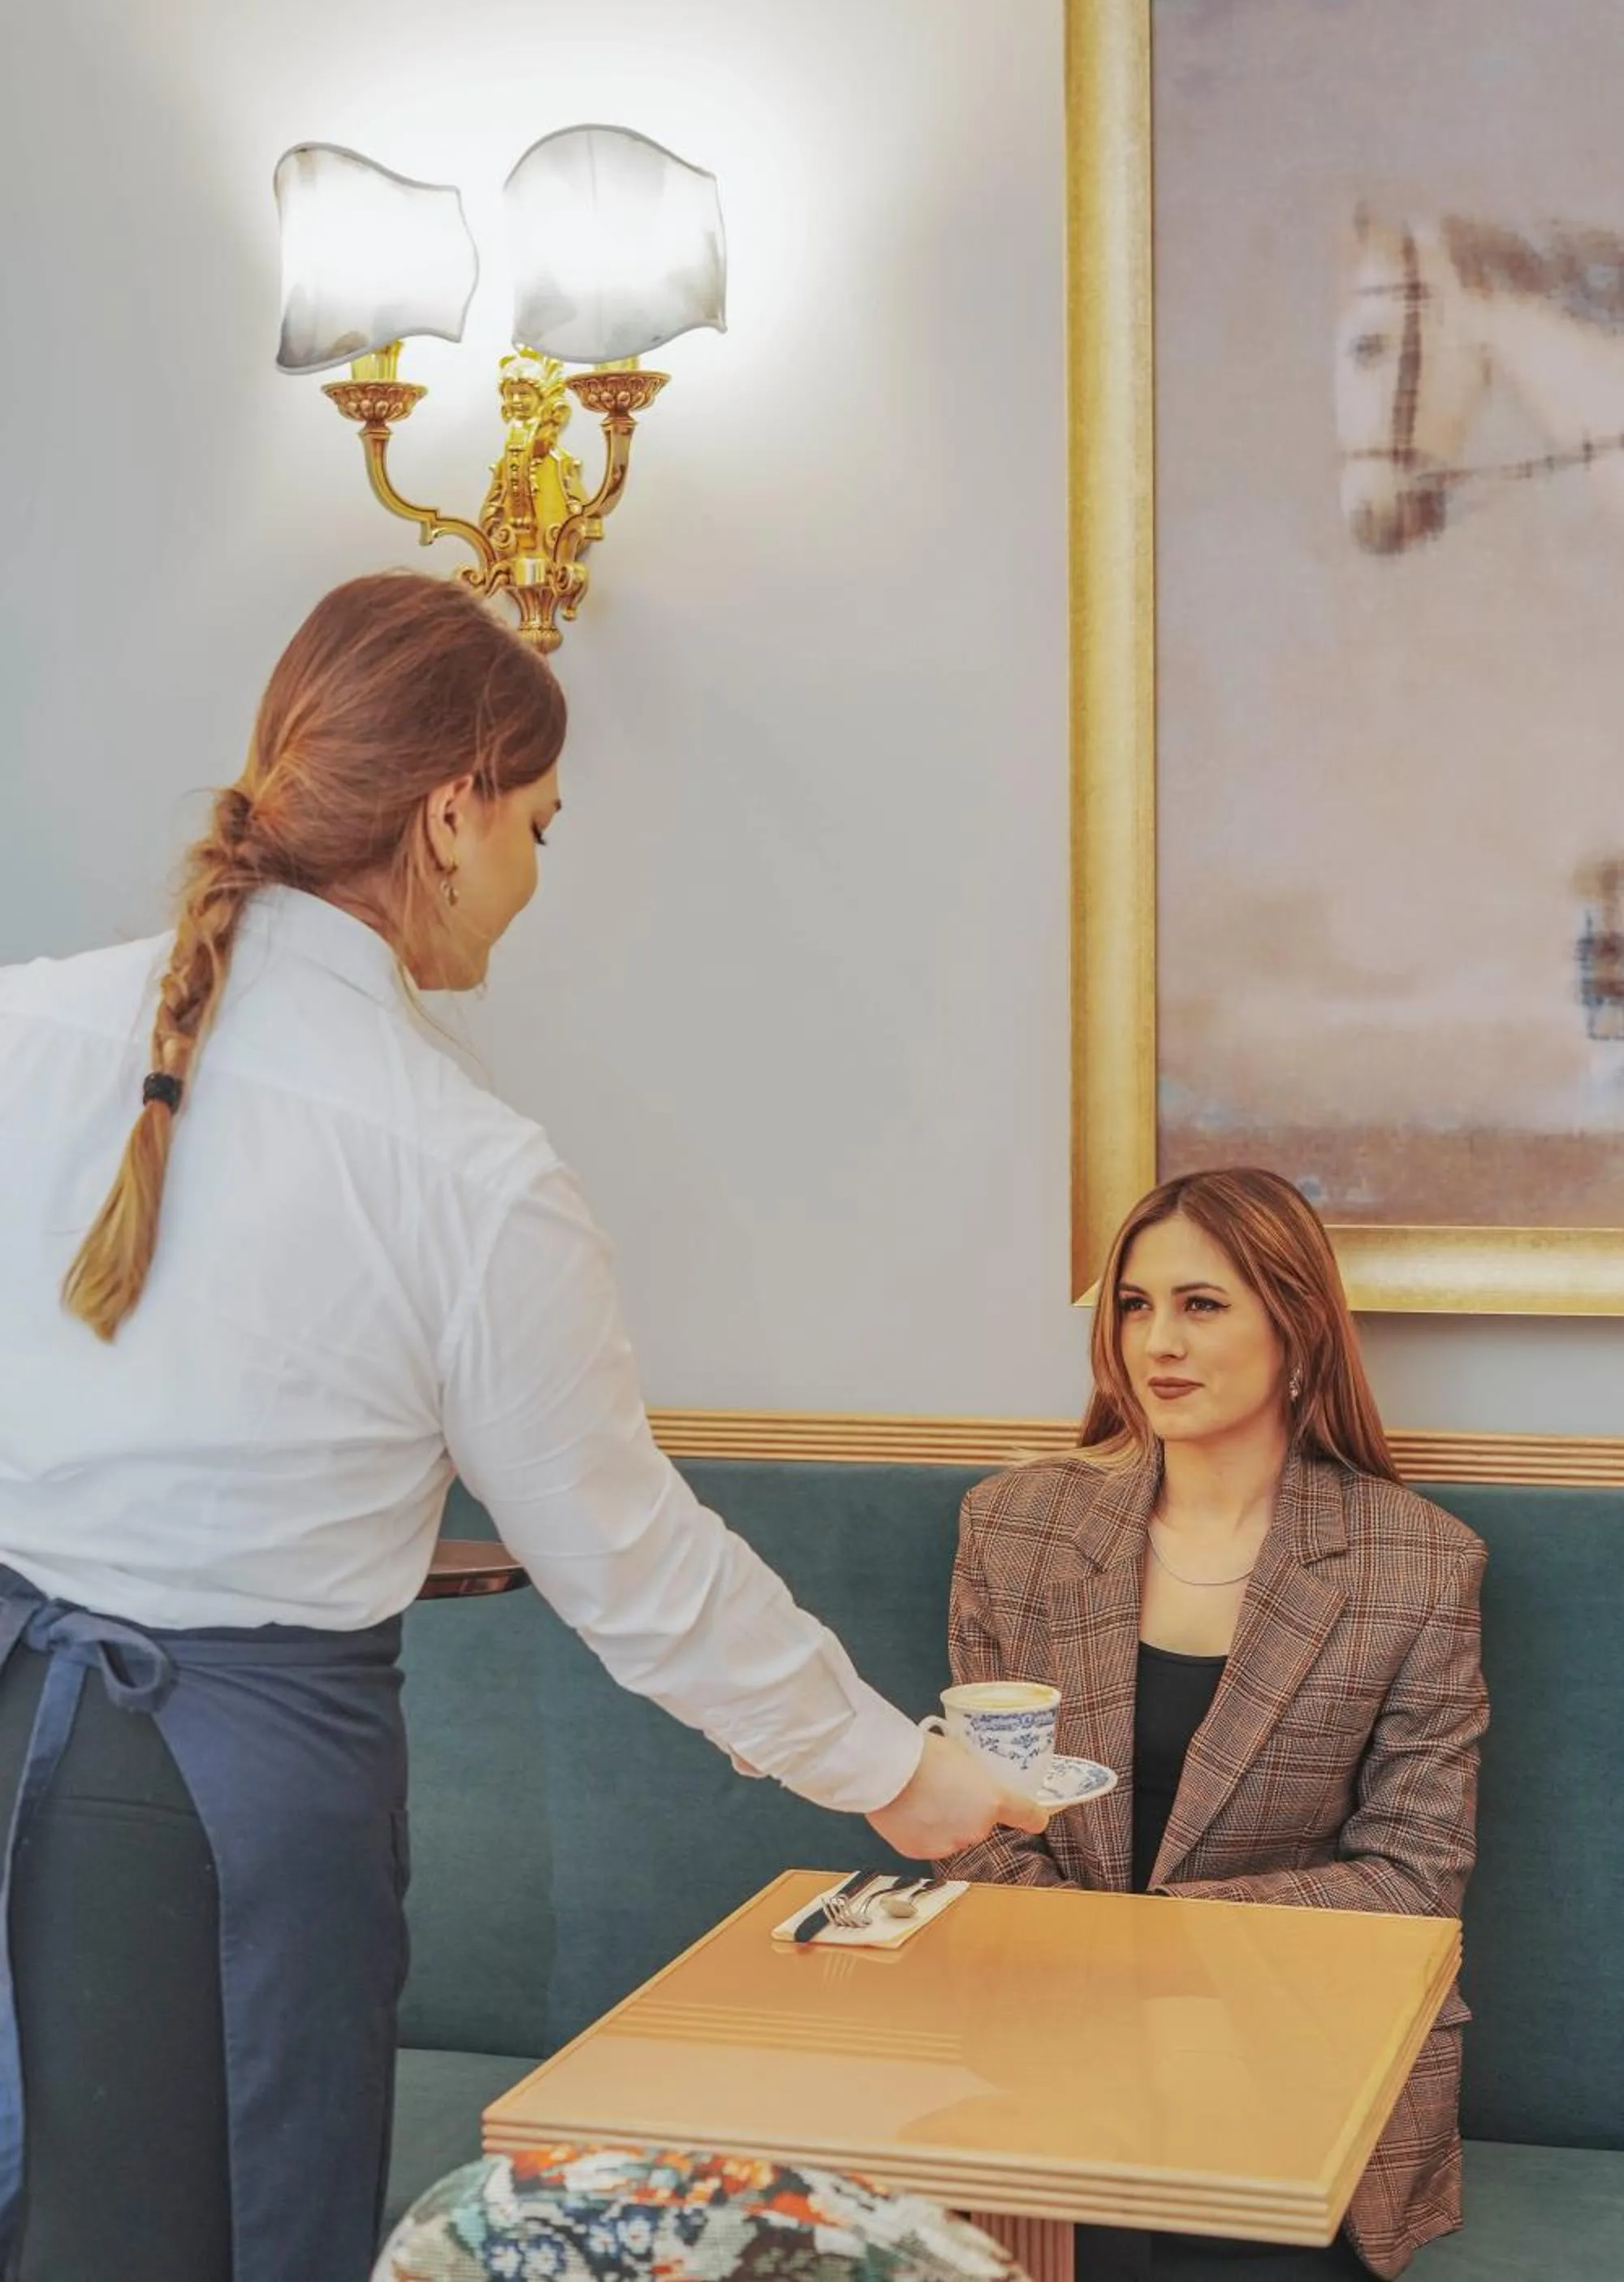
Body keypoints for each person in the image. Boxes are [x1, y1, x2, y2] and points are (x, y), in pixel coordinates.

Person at [0, 572, 1042, 2282]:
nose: (536, 879)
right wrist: (897, 1775)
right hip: (235, 1804)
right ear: (449, 814)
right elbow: (636, 1572)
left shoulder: (28, 1024)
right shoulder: (467, 1170)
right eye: (540, 826)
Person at [936, 1169, 1488, 2282]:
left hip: (1294, 2054)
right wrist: (1093, 1985)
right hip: (1045, 2044)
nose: (1157, 1344)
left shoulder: (1420, 1564)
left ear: (1297, 1326)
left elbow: (1413, 1877)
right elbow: (969, 1819)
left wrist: (1150, 1950)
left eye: (1202, 1305)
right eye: (1135, 1306)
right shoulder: (1015, 1530)